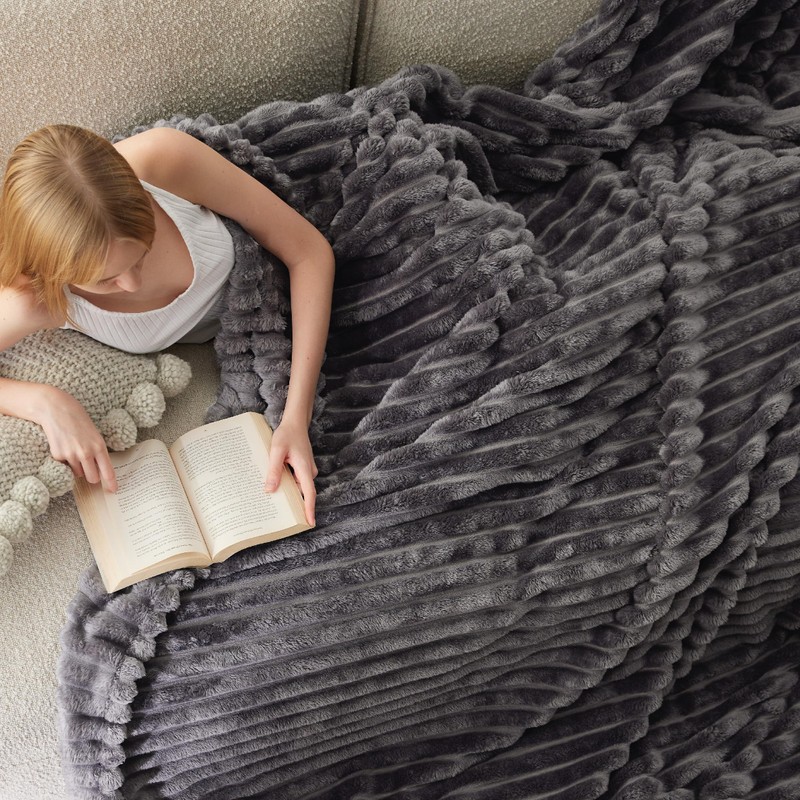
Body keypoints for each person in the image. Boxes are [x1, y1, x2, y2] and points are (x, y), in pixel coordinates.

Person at [0, 124, 334, 525]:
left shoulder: (164, 160)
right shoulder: (33, 297)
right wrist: (44, 403)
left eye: (142, 254)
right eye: (105, 280)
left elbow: (308, 251)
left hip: (279, 294)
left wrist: (295, 417)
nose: (132, 284)